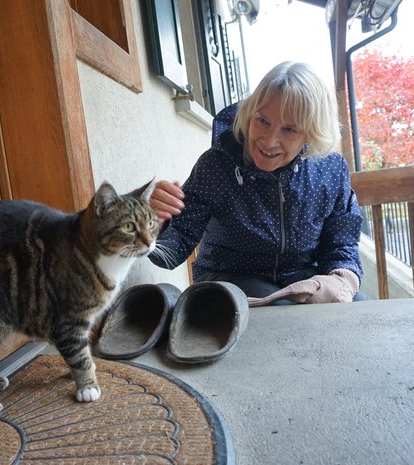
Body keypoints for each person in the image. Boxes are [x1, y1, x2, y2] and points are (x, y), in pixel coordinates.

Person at [149, 61, 365, 304]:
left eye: (289, 130)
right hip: (229, 278)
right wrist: (153, 224)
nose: (269, 141)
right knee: (283, 312)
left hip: (302, 277)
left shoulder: (330, 169)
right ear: (250, 113)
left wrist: (341, 280)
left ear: (311, 132)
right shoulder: (216, 165)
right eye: (262, 121)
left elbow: (341, 243)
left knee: (359, 310)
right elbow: (173, 249)